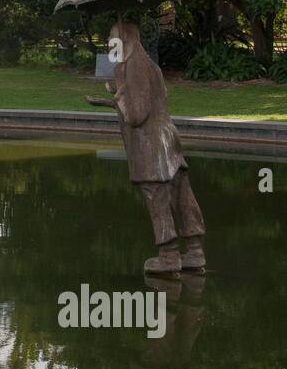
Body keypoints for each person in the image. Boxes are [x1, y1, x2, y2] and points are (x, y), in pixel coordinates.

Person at [86, 19, 205, 274]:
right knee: (182, 194)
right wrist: (112, 99)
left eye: (111, 36)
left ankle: (169, 255)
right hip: (168, 138)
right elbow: (152, 100)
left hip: (150, 145)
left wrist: (118, 93)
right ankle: (195, 251)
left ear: (124, 39)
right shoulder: (151, 65)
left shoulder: (129, 67)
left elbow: (137, 115)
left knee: (156, 196)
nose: (109, 43)